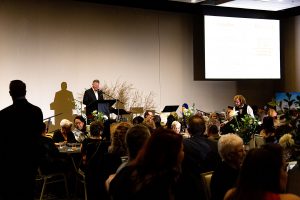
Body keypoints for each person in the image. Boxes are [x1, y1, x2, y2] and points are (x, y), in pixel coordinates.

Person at [109, 129, 184, 200]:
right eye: (181, 150)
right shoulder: (165, 182)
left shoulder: (129, 172)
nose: (183, 153)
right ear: (172, 154)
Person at [0, 80, 43, 200]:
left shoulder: (3, 114)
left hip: (10, 162)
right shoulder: (36, 111)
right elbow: (38, 136)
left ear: (10, 93)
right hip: (30, 161)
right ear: (25, 92)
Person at [224, 143, 300, 200]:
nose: (286, 175)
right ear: (272, 174)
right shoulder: (290, 199)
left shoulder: (231, 195)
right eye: (283, 169)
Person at [179, 114, 221, 200]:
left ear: (189, 130)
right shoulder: (215, 144)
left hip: (188, 190)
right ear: (204, 129)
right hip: (213, 189)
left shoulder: (183, 144)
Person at [210, 134, 245, 200]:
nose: (244, 153)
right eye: (240, 151)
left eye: (243, 149)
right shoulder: (222, 176)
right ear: (229, 156)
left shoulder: (238, 169)